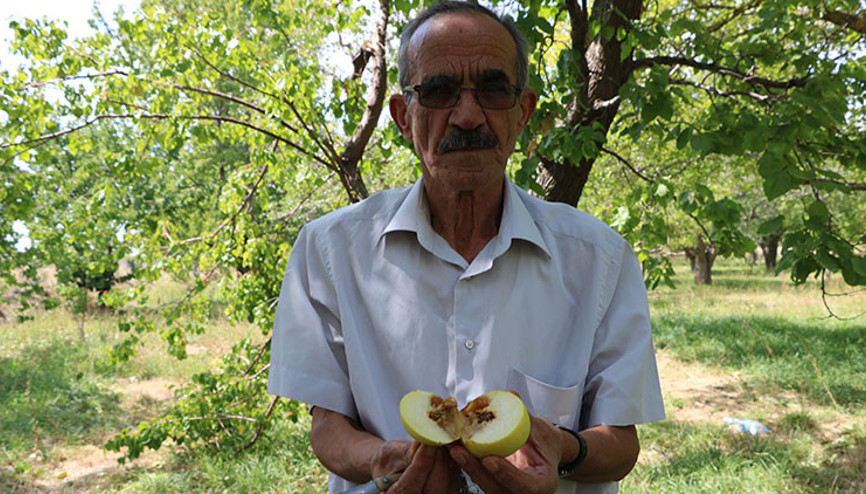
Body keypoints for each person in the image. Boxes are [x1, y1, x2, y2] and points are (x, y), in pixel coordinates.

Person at [267, 2, 665, 492]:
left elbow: (621, 441)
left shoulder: (599, 258)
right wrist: (381, 460)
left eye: (494, 90)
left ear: (522, 114)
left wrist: (565, 449)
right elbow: (328, 427)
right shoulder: (330, 250)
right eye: (438, 91)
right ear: (402, 117)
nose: (469, 116)